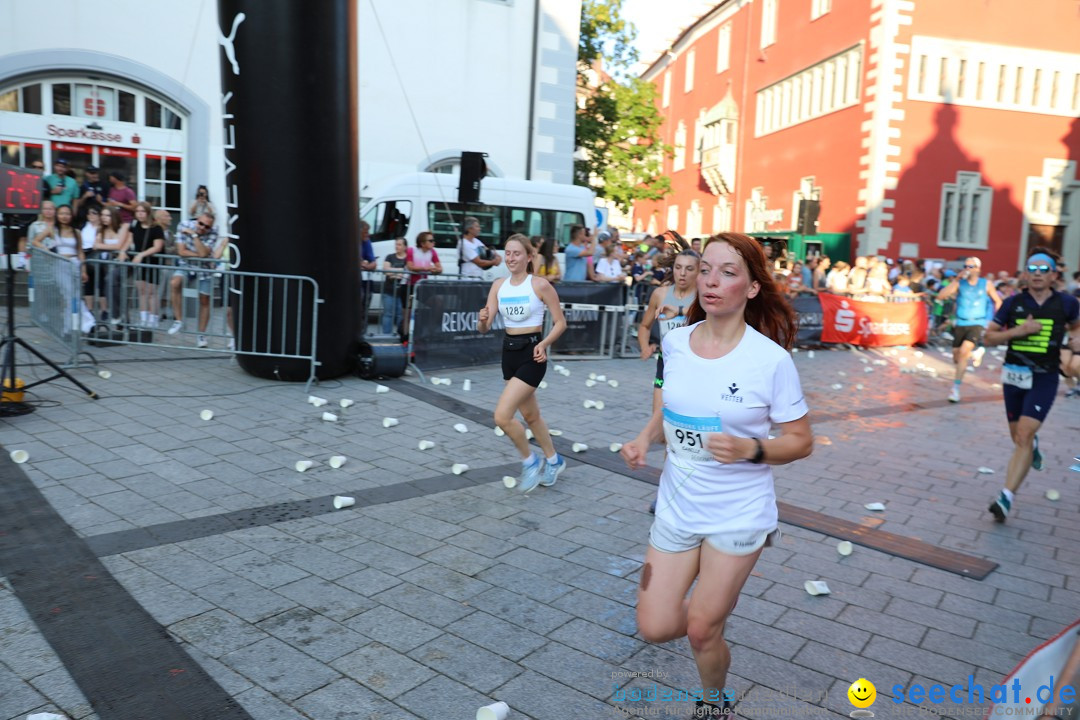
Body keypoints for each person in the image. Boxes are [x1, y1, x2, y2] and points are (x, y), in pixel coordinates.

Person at [620, 232, 813, 719]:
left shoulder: (770, 360)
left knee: (703, 628)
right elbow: (669, 412)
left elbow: (801, 440)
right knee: (656, 626)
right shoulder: (676, 341)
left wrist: (753, 449)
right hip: (677, 507)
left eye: (728, 273)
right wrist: (646, 437)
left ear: (751, 288)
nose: (710, 280)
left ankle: (714, 700)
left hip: (737, 515)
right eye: (706, 268)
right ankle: (707, 617)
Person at [984, 251, 1080, 522]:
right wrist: (1017, 332)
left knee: (1023, 435)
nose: (1037, 272)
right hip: (1014, 374)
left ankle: (1005, 497)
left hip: (1044, 377)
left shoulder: (1067, 303)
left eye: (1043, 268)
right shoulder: (1012, 303)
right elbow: (988, 337)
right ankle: (1031, 444)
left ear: (1053, 275)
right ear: (1025, 274)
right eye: (1032, 268)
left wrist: (1076, 342)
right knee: (1019, 438)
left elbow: (1076, 329)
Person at [477, 234, 567, 492]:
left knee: (502, 416)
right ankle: (554, 460)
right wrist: (482, 318)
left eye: (516, 253)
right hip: (509, 353)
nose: (511, 258)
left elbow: (561, 322)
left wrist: (543, 344)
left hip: (532, 353)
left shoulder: (539, 285)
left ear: (529, 257)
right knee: (530, 415)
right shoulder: (498, 285)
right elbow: (483, 327)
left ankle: (530, 461)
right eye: (507, 253)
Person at [936, 257, 1002, 404]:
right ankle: (975, 354)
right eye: (966, 266)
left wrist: (996, 320)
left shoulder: (986, 284)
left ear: (978, 269)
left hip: (977, 323)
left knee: (964, 352)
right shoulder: (960, 283)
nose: (968, 269)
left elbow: (997, 300)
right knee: (956, 356)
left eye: (971, 266)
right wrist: (956, 280)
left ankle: (955, 389)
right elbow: (941, 295)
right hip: (960, 323)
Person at [168, 212, 224, 347]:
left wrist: (194, 235)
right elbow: (181, 251)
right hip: (186, 264)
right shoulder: (184, 225)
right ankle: (179, 321)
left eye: (206, 226)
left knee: (204, 300)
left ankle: (201, 335)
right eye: (201, 223)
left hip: (204, 268)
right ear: (197, 219)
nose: (203, 227)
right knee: (175, 283)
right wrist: (200, 254)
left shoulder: (213, 232)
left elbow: (205, 253)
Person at [125, 201, 166, 327]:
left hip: (152, 261)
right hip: (139, 261)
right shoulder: (135, 225)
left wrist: (141, 254)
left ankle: (153, 319)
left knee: (151, 292)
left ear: (148, 213)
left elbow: (157, 247)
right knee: (141, 291)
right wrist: (123, 251)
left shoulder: (156, 228)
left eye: (142, 211)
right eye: (137, 211)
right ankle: (143, 318)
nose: (140, 214)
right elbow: (129, 240)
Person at [92, 207, 131, 324]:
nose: (104, 218)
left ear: (114, 216)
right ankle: (123, 319)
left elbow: (118, 246)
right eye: (103, 215)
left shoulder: (123, 227)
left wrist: (101, 246)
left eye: (107, 215)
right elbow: (95, 245)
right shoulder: (101, 230)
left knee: (111, 281)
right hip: (108, 263)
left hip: (122, 262)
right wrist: (105, 246)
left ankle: (116, 314)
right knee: (111, 287)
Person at [80, 206, 104, 320]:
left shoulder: (101, 228)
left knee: (101, 284)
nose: (91, 216)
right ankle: (89, 310)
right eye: (89, 213)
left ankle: (104, 310)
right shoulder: (85, 226)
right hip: (85, 254)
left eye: (94, 213)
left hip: (96, 254)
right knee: (88, 283)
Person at [380, 237, 408, 336]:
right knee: (388, 314)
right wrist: (400, 271)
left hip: (402, 292)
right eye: (396, 244)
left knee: (401, 315)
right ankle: (385, 336)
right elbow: (386, 271)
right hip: (389, 291)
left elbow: (407, 273)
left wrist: (393, 272)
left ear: (405, 246)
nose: (397, 246)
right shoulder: (389, 257)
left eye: (399, 244)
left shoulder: (408, 258)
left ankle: (399, 336)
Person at [359, 220, 377, 336]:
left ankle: (362, 332)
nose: (368, 235)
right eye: (365, 232)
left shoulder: (367, 242)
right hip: (356, 281)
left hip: (365, 281)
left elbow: (373, 263)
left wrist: (366, 265)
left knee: (365, 304)